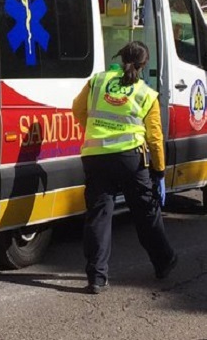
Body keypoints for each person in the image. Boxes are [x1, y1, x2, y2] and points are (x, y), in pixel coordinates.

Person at [73, 41, 178, 294]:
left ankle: (97, 278)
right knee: (145, 213)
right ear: (144, 65)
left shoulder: (98, 80)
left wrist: (98, 130)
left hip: (96, 156)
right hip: (131, 158)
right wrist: (160, 172)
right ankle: (163, 261)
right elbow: (154, 137)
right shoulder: (145, 93)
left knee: (99, 216)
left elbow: (77, 109)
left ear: (120, 58)